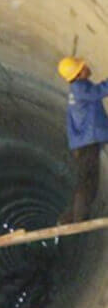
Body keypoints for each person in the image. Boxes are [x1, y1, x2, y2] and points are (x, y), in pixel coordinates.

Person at [57, 56, 108, 223]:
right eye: (82, 66)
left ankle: (72, 217)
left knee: (87, 181)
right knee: (87, 182)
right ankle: (77, 218)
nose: (86, 66)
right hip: (87, 143)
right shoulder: (80, 88)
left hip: (84, 142)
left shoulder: (78, 88)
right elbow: (100, 91)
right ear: (78, 74)